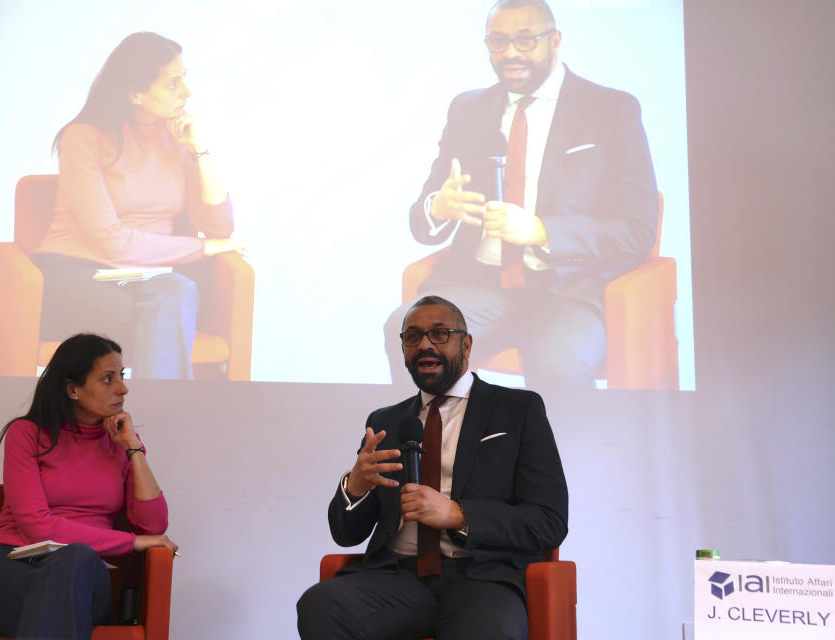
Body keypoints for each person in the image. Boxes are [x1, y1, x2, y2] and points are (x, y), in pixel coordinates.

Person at [385, 0, 658, 389]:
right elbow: (422, 221)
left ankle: (557, 451)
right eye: (498, 41)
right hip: (480, 286)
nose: (510, 52)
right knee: (407, 331)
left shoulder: (610, 110)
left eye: (525, 39)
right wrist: (439, 207)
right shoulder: (468, 109)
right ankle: (435, 448)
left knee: (558, 361)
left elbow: (636, 231)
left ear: (555, 41)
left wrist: (540, 231)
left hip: (567, 290)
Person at [298, 296, 568, 639]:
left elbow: (549, 522)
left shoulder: (518, 409)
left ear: (466, 344)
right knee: (320, 606)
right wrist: (356, 488)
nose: (424, 344)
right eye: (412, 336)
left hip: (482, 580)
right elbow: (347, 534)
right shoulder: (386, 421)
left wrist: (458, 514)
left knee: (487, 628)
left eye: (439, 333)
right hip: (398, 580)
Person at [33, 32, 244, 379]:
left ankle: (147, 419)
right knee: (163, 311)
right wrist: (202, 248)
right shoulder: (82, 137)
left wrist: (198, 150)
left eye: (185, 79)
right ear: (135, 94)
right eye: (173, 84)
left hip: (148, 277)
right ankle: (167, 417)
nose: (187, 93)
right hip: (76, 272)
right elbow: (109, 242)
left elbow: (221, 226)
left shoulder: (175, 138)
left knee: (178, 291)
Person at [0, 333, 178, 639]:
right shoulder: (26, 433)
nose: (123, 388)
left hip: (79, 575)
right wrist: (131, 542)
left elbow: (153, 525)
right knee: (62, 593)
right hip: (4, 564)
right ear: (73, 389)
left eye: (121, 376)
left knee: (76, 559)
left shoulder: (121, 445)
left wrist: (133, 447)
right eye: (108, 379)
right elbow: (36, 526)